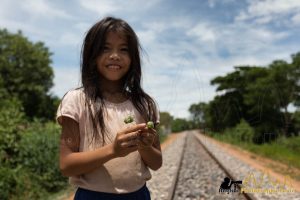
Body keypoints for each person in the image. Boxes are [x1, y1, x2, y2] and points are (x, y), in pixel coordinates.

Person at [56, 16, 162, 200]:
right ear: (92, 54)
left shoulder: (145, 104)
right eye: (105, 48)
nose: (115, 55)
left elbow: (156, 162)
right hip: (92, 196)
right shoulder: (77, 100)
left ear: (133, 58)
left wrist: (144, 147)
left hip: (138, 195)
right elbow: (66, 165)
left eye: (123, 49)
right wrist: (113, 150)